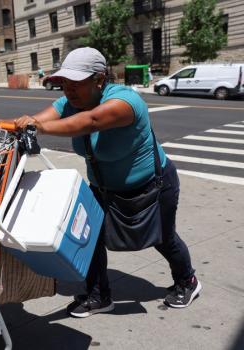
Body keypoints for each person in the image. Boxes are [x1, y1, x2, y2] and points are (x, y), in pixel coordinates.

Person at [14, 47, 201, 317]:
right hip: (104, 189)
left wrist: (37, 127)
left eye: (76, 83)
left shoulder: (125, 102)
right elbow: (35, 121)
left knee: (164, 237)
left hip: (152, 185)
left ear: (100, 79)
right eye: (64, 83)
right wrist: (2, 125)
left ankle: (187, 281)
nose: (68, 90)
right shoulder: (69, 103)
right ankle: (99, 295)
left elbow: (90, 121)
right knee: (89, 238)